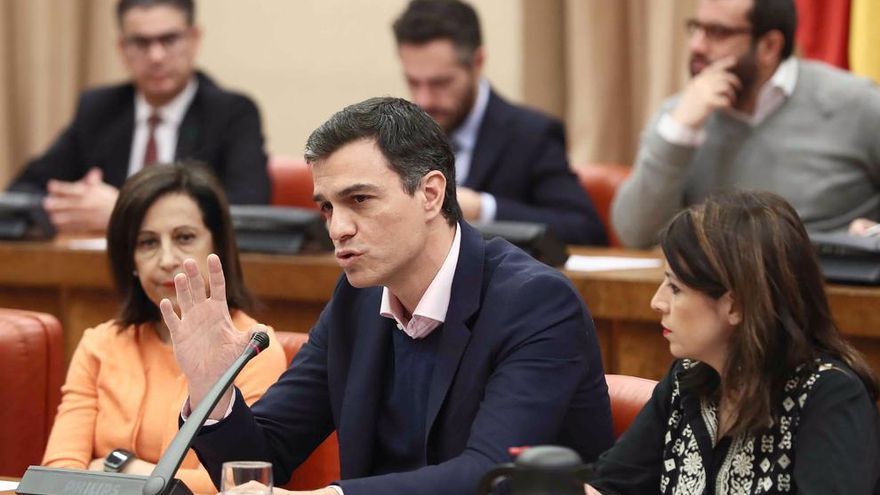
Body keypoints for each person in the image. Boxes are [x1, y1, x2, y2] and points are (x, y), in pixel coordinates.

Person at [163, 97, 614, 494]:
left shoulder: (535, 302)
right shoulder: (357, 300)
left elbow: (490, 475)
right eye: (326, 207)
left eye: (359, 200)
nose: (337, 229)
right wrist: (214, 391)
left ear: (431, 194)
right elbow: (267, 456)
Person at [587, 190, 880, 494]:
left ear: (736, 305)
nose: (656, 302)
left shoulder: (830, 395)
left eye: (675, 288)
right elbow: (609, 488)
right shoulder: (686, 380)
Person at [41, 164, 287, 495]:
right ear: (130, 260)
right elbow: (58, 473)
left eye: (184, 237)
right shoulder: (99, 343)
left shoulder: (253, 346)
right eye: (147, 243)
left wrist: (119, 464)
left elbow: (238, 482)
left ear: (218, 244)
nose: (167, 259)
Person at [611, 0, 880, 249]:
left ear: (769, 46)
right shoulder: (682, 116)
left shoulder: (856, 105)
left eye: (718, 32)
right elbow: (635, 234)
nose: (697, 46)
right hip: (722, 294)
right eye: (696, 28)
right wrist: (679, 134)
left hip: (833, 292)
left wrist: (873, 237)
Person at [7, 0, 270, 234]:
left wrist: (125, 211)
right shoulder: (99, 109)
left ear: (194, 39)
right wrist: (68, 207)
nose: (156, 56)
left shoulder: (231, 113)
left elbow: (247, 210)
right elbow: (25, 191)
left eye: (169, 40)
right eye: (141, 43)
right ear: (122, 48)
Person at [392, 0, 606, 246]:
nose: (424, 99)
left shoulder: (532, 135)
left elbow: (584, 229)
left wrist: (484, 209)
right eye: (413, 82)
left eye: (441, 83)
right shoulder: (400, 137)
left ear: (478, 62)